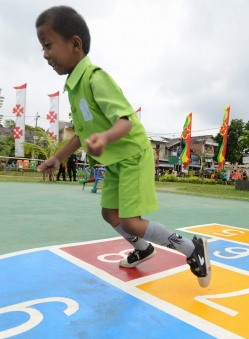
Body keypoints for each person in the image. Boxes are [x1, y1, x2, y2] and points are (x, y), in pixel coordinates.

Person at [35, 6, 211, 287]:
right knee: (109, 214)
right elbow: (81, 133)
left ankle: (193, 250)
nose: (45, 54)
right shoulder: (74, 87)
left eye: (48, 45)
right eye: (42, 48)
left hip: (133, 155)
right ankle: (143, 249)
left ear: (75, 44)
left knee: (130, 221)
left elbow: (126, 122)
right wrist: (57, 157)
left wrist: (104, 138)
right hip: (115, 161)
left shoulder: (95, 78)